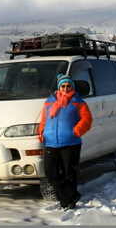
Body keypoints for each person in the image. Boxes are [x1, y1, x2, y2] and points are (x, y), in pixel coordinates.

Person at [38, 74, 93, 209]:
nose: (66, 88)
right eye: (63, 86)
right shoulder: (49, 102)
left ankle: (67, 203)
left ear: (72, 87)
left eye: (68, 86)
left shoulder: (78, 102)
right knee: (50, 172)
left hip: (71, 143)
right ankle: (71, 196)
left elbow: (87, 119)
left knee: (69, 173)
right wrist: (42, 132)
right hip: (51, 142)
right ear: (59, 88)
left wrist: (76, 131)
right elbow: (44, 119)